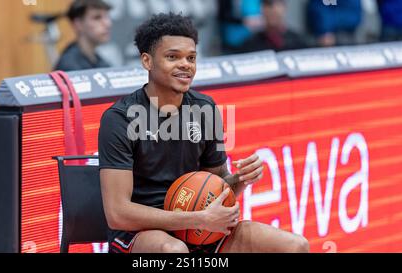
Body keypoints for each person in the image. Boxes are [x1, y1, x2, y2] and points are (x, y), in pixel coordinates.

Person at [98, 13, 309, 253]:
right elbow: (118, 214)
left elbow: (217, 185)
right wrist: (197, 219)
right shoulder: (119, 118)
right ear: (147, 61)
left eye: (191, 57)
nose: (185, 64)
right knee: (174, 251)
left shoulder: (205, 109)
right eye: (172, 57)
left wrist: (241, 179)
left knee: (295, 246)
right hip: (141, 234)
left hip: (198, 230)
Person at [54, 0, 112, 71]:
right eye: (97, 18)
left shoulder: (100, 61)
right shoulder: (69, 65)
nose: (107, 24)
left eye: (107, 17)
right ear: (78, 24)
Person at [239, 0, 307, 53]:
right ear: (261, 8)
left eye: (277, 4)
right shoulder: (251, 45)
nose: (273, 9)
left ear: (284, 7)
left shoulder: (298, 42)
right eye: (268, 4)